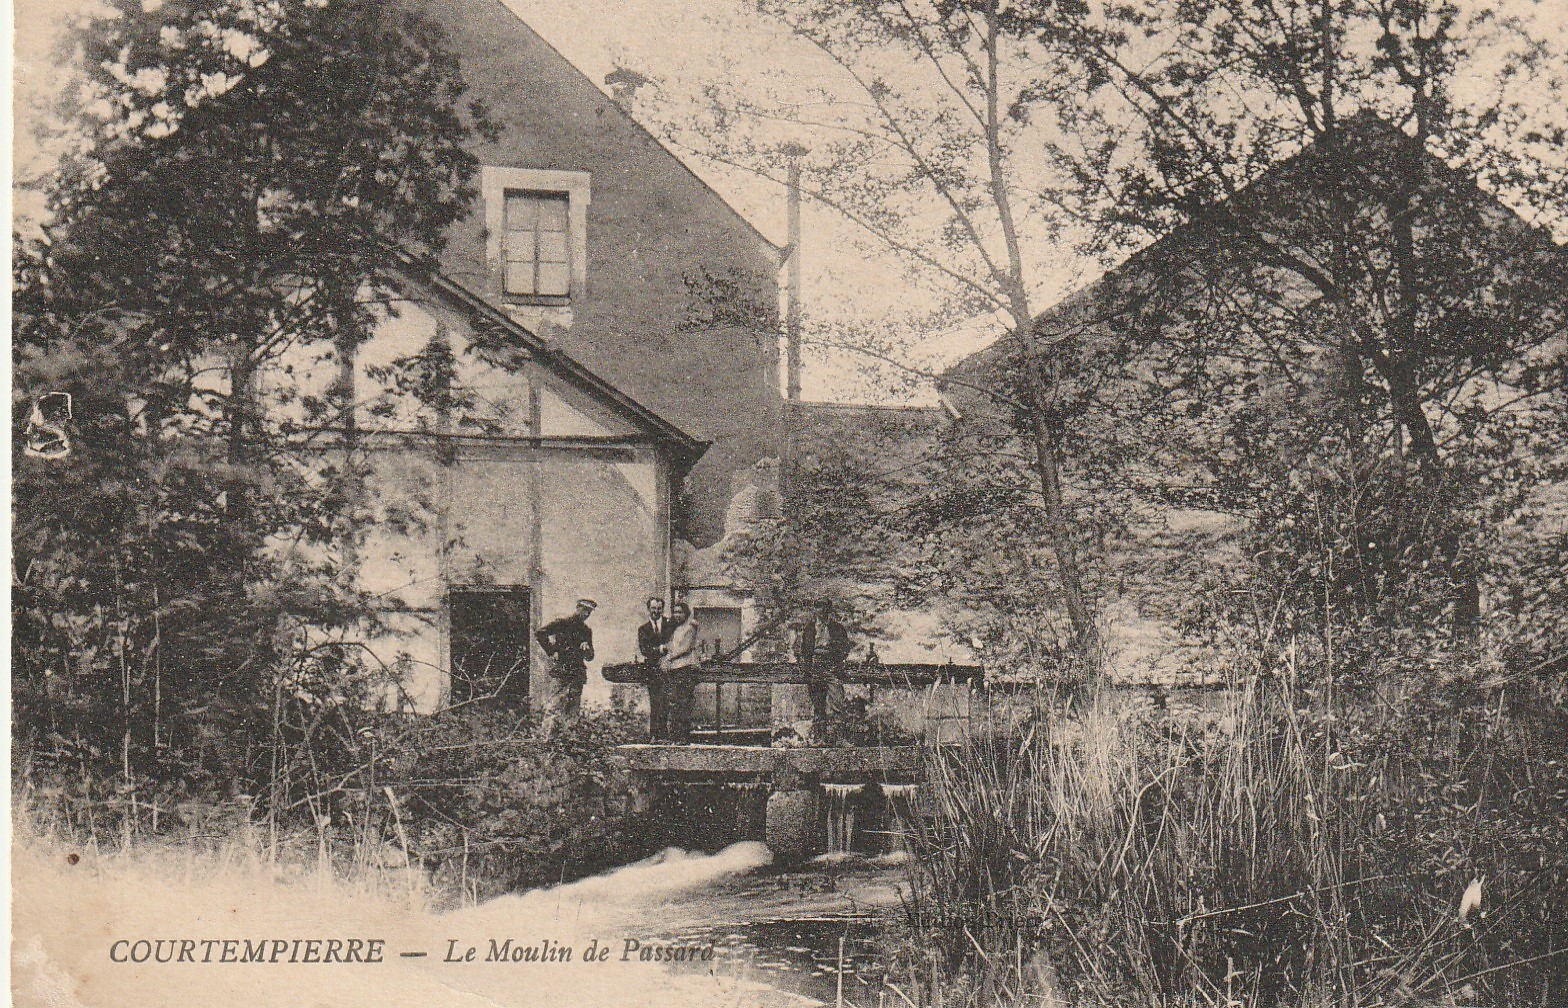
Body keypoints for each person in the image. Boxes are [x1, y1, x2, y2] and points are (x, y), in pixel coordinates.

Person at [795, 599, 850, 744]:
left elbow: (845, 648)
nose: (821, 611)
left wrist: (837, 663)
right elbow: (802, 650)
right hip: (815, 667)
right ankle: (820, 739)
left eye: (824, 608)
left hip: (831, 667)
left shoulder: (837, 628)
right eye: (818, 607)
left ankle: (838, 739)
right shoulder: (809, 629)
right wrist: (807, 669)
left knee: (837, 703)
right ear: (815, 610)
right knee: (818, 706)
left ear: (829, 610)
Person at [534, 598, 596, 720]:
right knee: (555, 705)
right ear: (577, 608)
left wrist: (587, 649)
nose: (586, 614)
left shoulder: (586, 630)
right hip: (562, 669)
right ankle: (547, 736)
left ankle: (569, 736)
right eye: (584, 610)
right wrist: (552, 651)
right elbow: (540, 633)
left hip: (577, 672)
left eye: (589, 612)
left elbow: (590, 657)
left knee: (573, 710)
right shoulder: (562, 623)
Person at [660, 602, 701, 742]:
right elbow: (672, 645)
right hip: (675, 669)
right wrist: (665, 651)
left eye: (680, 612)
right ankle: (676, 736)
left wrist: (669, 657)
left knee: (683, 702)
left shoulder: (690, 629)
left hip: (685, 668)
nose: (677, 615)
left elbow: (685, 648)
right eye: (675, 612)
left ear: (686, 614)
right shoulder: (677, 630)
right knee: (675, 703)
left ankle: (683, 736)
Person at [636, 596, 674, 740]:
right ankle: (654, 735)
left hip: (668, 668)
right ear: (648, 609)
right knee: (655, 702)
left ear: (662, 609)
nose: (656, 611)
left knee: (666, 701)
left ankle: (665, 735)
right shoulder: (643, 629)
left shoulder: (670, 625)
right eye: (653, 608)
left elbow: (674, 644)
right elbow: (644, 650)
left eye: (659, 608)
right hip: (652, 670)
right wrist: (659, 649)